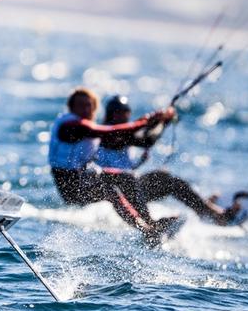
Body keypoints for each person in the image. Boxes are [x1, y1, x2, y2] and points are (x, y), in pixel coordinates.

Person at [48, 87, 180, 243]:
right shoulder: (70, 125)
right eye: (80, 105)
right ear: (71, 108)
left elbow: (138, 138)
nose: (85, 109)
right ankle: (147, 229)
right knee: (112, 188)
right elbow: (109, 132)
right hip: (71, 187)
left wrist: (158, 121)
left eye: (88, 105)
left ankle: (149, 226)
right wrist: (145, 120)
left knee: (123, 179)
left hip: (83, 179)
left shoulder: (88, 126)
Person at [95, 94, 248, 226]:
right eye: (118, 113)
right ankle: (150, 226)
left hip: (132, 186)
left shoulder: (127, 131)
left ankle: (208, 212)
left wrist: (162, 120)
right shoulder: (106, 133)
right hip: (112, 189)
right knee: (144, 179)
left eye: (125, 112)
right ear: (110, 114)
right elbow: (145, 141)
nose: (123, 116)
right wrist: (164, 123)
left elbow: (144, 136)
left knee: (166, 178)